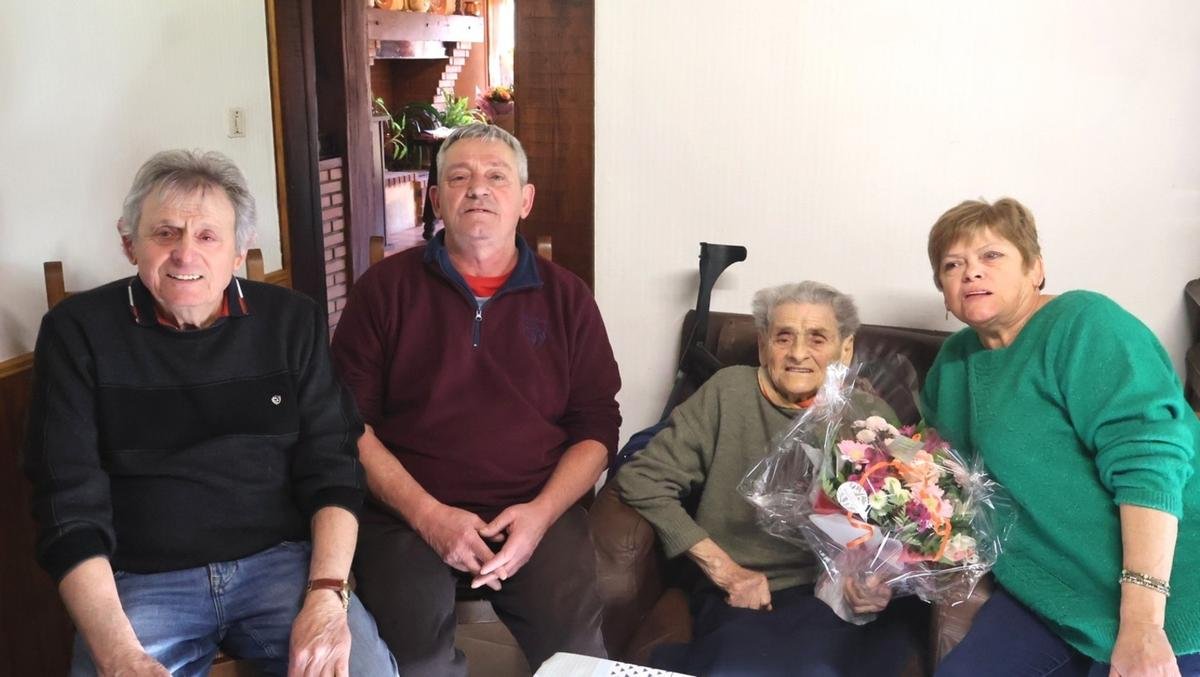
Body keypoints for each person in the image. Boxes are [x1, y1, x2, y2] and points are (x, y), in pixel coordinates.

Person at [22, 150, 396, 677]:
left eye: (207, 236)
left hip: (282, 566)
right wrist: (119, 652)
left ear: (239, 251)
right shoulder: (76, 333)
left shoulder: (292, 321)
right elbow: (67, 503)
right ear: (129, 244)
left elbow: (334, 466)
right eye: (165, 233)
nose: (184, 254)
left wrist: (327, 595)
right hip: (143, 581)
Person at [330, 124, 621, 675]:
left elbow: (597, 427)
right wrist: (428, 516)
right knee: (416, 662)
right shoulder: (383, 291)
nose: (478, 189)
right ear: (436, 200)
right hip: (407, 514)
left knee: (580, 661)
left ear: (525, 201)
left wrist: (541, 515)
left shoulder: (567, 298)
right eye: (459, 177)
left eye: (496, 177)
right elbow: (347, 425)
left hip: (534, 509)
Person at [921, 198, 1200, 676]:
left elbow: (1150, 463)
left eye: (991, 255)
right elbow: (938, 486)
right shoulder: (950, 365)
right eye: (952, 265)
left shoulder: (1084, 323)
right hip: (1051, 592)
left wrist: (1143, 625)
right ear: (943, 291)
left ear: (1036, 269)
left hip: (1171, 586)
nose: (971, 273)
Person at [616, 281, 928, 676]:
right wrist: (726, 571)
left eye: (817, 338)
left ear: (845, 349)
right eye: (783, 337)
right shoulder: (727, 392)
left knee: (822, 668)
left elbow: (905, 519)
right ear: (764, 346)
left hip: (834, 598)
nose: (798, 353)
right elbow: (643, 479)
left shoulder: (870, 415)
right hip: (744, 591)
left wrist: (876, 581)